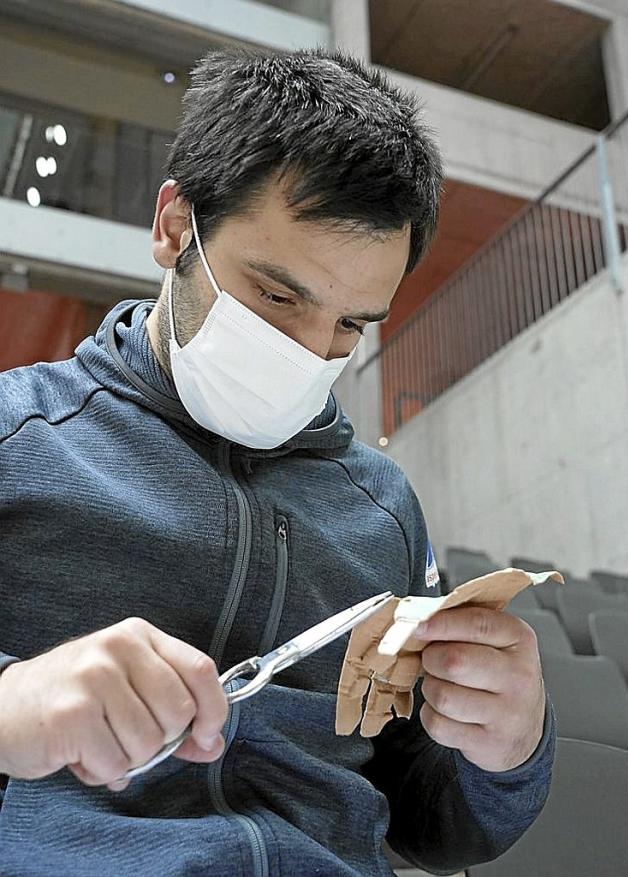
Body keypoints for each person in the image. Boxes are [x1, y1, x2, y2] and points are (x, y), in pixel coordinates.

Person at [0, 48, 554, 876]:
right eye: (277, 296)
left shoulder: (382, 506)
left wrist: (508, 750)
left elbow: (429, 826)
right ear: (175, 227)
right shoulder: (20, 434)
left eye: (349, 327)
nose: (307, 354)